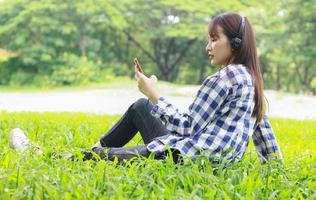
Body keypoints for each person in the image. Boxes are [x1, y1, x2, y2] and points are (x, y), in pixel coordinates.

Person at [10, 12, 283, 166]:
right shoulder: (251, 81)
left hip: (184, 159)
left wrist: (154, 94)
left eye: (214, 39)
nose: (208, 47)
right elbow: (266, 140)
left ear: (235, 43)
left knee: (110, 155)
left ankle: (42, 154)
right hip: (196, 155)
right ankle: (98, 148)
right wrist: (276, 171)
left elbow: (188, 128)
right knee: (142, 109)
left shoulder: (223, 79)